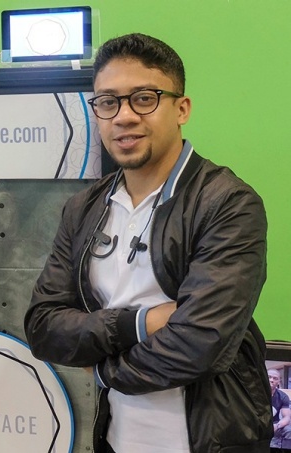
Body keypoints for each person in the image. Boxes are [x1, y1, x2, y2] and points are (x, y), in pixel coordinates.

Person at [24, 33, 271, 452]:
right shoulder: (84, 208)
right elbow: (43, 327)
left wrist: (101, 371)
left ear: (182, 108)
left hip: (212, 439)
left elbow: (201, 344)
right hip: (116, 437)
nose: (124, 117)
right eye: (108, 102)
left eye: (144, 98)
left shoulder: (227, 203)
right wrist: (138, 323)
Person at [270, 368, 291, 451]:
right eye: (269, 377)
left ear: (279, 381)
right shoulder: (255, 394)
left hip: (274, 425)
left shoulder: (283, 397)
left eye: (275, 378)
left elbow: (287, 418)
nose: (271, 380)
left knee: (289, 430)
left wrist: (277, 426)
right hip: (256, 424)